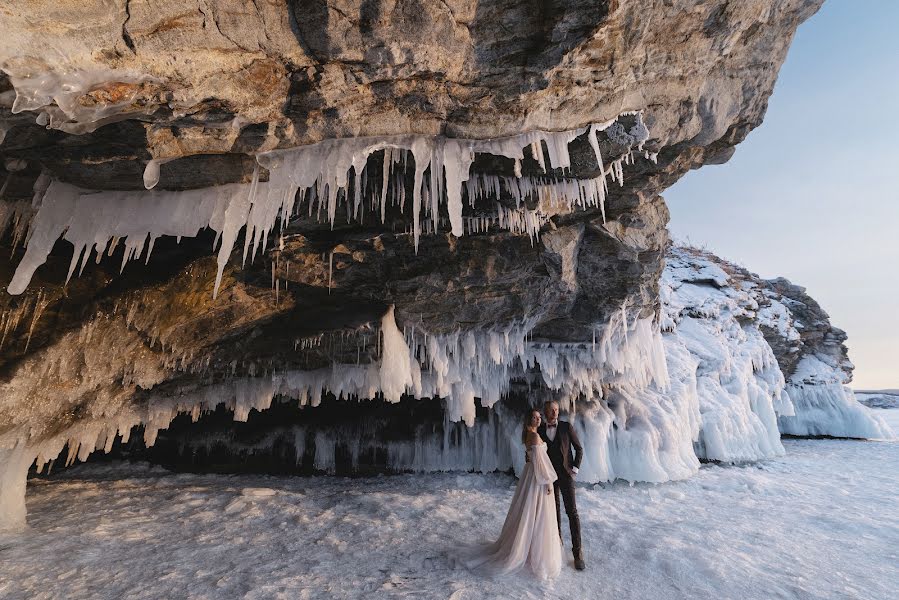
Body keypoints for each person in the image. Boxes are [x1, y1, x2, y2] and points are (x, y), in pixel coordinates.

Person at [463, 409, 562, 580]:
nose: (538, 420)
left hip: (529, 475)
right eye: (534, 418)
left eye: (539, 417)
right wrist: (547, 482)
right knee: (537, 514)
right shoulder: (535, 436)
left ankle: (527, 546)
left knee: (529, 512)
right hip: (537, 478)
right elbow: (540, 463)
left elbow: (532, 458)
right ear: (528, 420)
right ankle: (532, 551)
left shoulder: (528, 435)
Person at [537, 400, 586, 570]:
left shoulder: (566, 427)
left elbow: (579, 448)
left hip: (565, 476)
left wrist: (575, 468)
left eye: (556, 410)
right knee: (554, 513)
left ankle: (578, 552)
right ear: (545, 412)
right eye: (551, 410)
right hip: (549, 478)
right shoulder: (540, 430)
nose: (554, 412)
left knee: (572, 512)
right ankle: (557, 548)